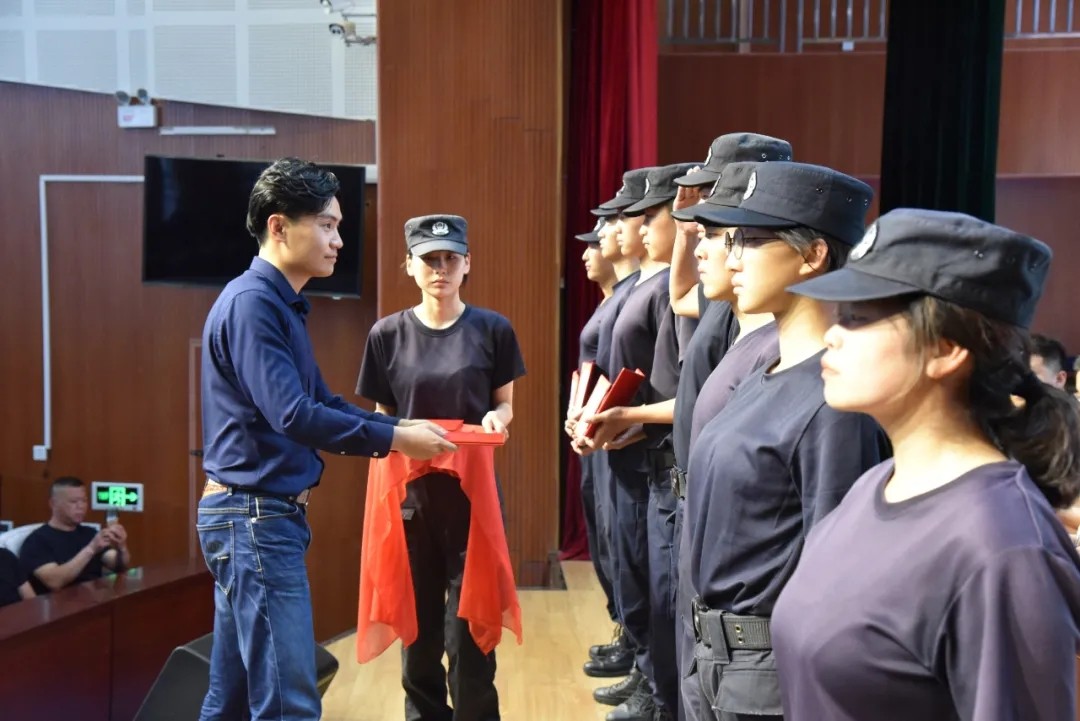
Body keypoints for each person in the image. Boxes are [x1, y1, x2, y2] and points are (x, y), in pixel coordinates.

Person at [772, 208, 1080, 720]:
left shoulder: (1001, 547)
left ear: (946, 348)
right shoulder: (875, 485)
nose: (831, 334)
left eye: (857, 318)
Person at [198, 158, 454, 721]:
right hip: (254, 518)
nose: (338, 240)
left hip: (252, 517)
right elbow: (294, 415)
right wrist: (394, 442)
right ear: (279, 226)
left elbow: (321, 401)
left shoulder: (278, 303)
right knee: (289, 703)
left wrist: (397, 429)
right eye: (327, 225)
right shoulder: (253, 304)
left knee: (230, 699)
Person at [684, 162, 889, 720]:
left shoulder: (835, 401)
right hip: (716, 664)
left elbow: (835, 578)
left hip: (769, 681)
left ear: (813, 254)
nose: (732, 259)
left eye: (751, 241)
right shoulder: (765, 371)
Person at [356, 214, 526, 721]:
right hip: (409, 499)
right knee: (418, 636)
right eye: (429, 259)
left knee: (469, 642)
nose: (441, 269)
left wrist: (498, 418)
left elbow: (504, 405)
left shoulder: (493, 329)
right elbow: (383, 419)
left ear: (467, 263)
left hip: (471, 498)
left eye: (451, 258)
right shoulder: (387, 334)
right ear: (409, 265)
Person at [580, 163, 690, 721]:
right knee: (624, 559)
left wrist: (631, 420)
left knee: (651, 576)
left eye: (649, 215)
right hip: (624, 442)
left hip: (650, 451)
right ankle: (647, 673)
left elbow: (677, 386)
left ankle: (655, 687)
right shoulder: (637, 289)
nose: (636, 226)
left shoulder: (669, 293)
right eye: (634, 217)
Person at [568, 216, 623, 668]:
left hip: (612, 433)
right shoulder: (607, 301)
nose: (587, 253)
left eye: (594, 244)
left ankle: (633, 643)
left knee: (617, 540)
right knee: (603, 535)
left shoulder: (626, 299)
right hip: (592, 432)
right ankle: (624, 631)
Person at [20, 476, 130, 594]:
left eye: (84, 501)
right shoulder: (37, 541)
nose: (81, 507)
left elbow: (119, 566)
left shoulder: (89, 533)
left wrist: (121, 547)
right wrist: (91, 549)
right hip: (60, 602)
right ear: (53, 503)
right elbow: (55, 582)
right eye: (74, 502)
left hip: (94, 598)